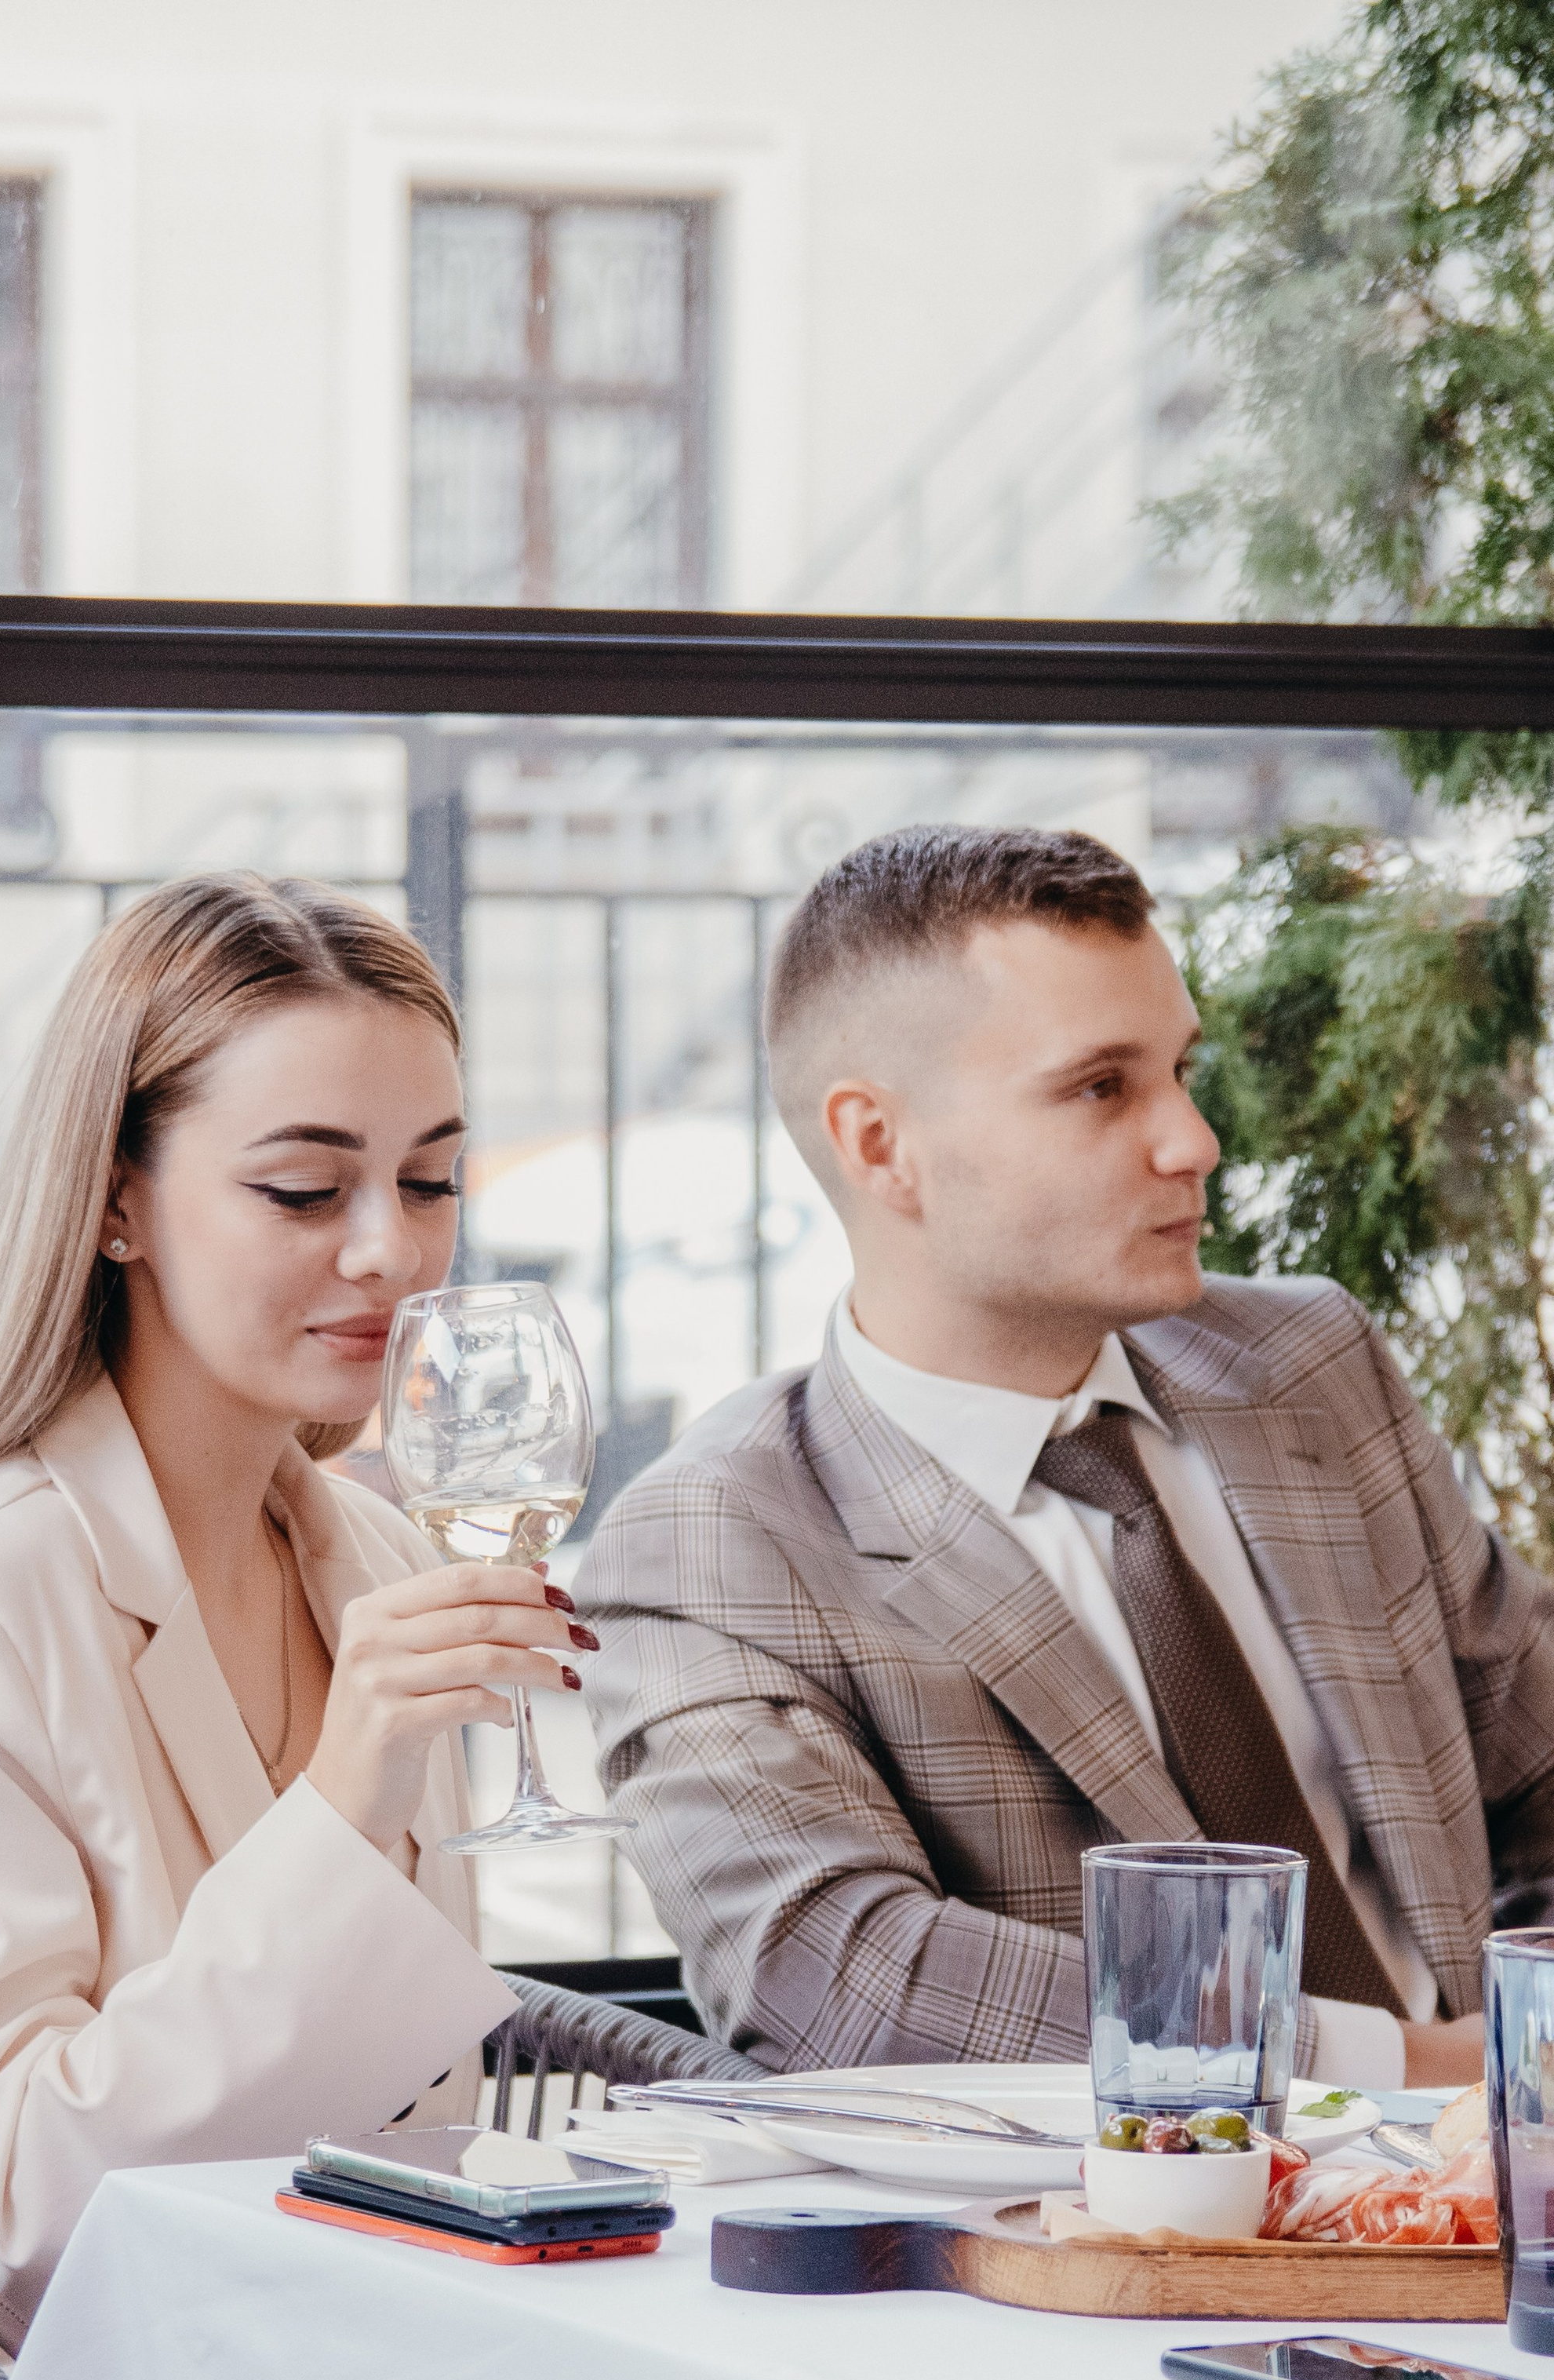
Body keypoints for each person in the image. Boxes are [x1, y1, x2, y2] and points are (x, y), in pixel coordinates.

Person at [0, 877, 595, 2311]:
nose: (391, 1249)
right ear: (118, 1202)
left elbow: (410, 2136)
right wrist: (343, 1802)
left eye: (430, 1180)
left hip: (339, 2365)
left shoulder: (374, 1571)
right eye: (304, 1189)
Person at [578, 822, 1554, 2092]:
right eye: (1103, 1087)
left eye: (1180, 1071)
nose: (1193, 1140)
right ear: (880, 1145)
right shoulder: (714, 1546)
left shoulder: (1308, 1366)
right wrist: (1412, 2070)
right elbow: (842, 1986)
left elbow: (1536, 1759)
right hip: (1103, 2254)